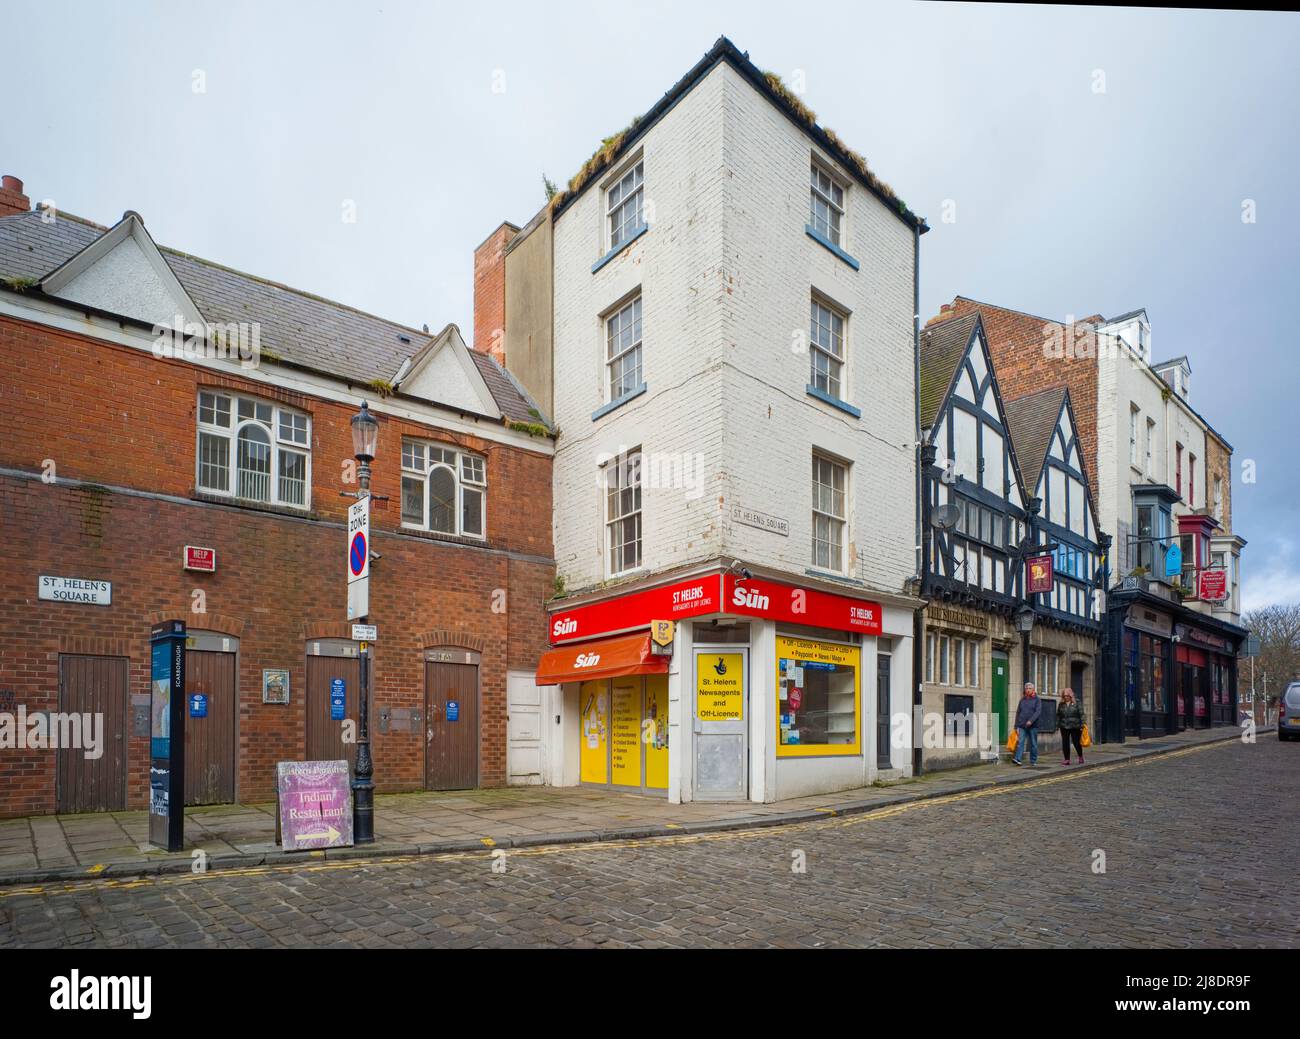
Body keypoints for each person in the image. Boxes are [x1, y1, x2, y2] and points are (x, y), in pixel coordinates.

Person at [1012, 681, 1041, 766]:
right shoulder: (1022, 700)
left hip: (1033, 726)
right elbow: (1018, 712)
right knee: (1020, 742)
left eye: (1030, 688)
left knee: (1033, 744)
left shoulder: (1037, 700)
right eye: (1027, 688)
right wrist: (1016, 726)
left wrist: (1031, 721)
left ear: (1033, 689)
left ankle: (1033, 760)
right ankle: (1018, 759)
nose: (1028, 690)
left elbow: (1038, 712)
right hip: (1022, 725)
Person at [1058, 687, 1085, 765]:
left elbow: (1081, 714)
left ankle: (1080, 756)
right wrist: (1057, 725)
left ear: (1070, 695)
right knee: (1065, 743)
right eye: (1064, 696)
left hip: (1075, 726)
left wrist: (1083, 723)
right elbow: (1058, 715)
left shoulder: (1077, 702)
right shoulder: (1061, 704)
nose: (1065, 697)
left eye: (1067, 695)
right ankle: (1067, 759)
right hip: (1064, 725)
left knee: (1076, 742)